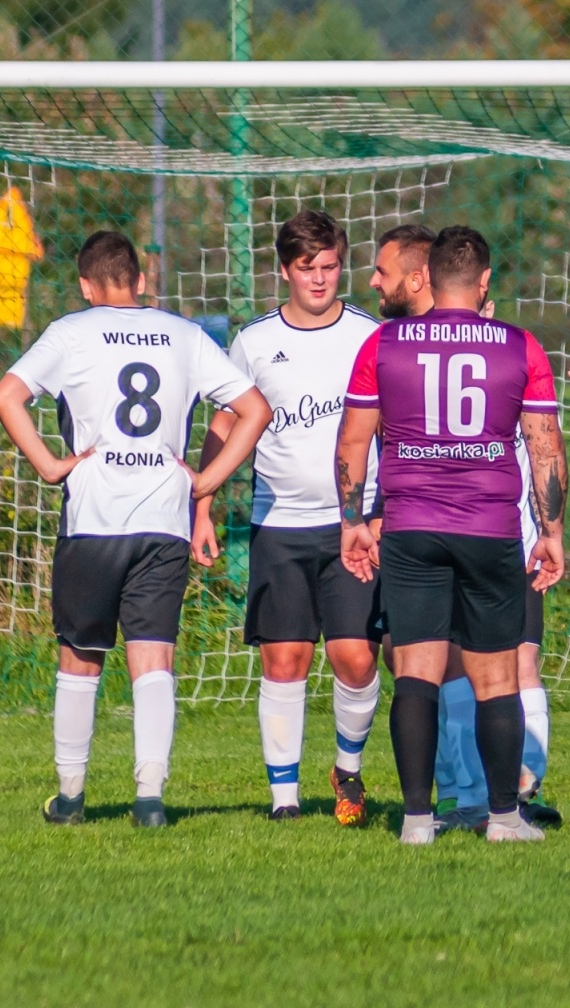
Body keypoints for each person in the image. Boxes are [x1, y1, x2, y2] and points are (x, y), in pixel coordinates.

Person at [0, 231, 271, 829]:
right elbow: (255, 410)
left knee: (80, 659)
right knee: (154, 660)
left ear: (86, 286)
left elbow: (6, 396)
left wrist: (49, 465)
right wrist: (203, 480)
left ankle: (69, 797)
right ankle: (149, 800)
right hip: (162, 521)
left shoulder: (71, 331)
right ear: (140, 281)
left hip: (92, 520)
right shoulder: (185, 335)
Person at [336, 225, 568, 845]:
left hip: (412, 526)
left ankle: (416, 821)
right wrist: (551, 533)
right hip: (491, 529)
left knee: (415, 672)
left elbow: (354, 442)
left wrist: (353, 522)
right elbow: (545, 448)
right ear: (485, 281)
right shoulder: (521, 347)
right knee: (496, 677)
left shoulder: (383, 343)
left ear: (429, 279)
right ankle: (501, 817)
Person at [191, 210, 385, 826]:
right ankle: (284, 800)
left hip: (353, 524)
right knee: (285, 660)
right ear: (285, 272)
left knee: (355, 656)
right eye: (308, 269)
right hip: (279, 525)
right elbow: (223, 425)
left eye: (330, 267)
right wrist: (203, 505)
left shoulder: (369, 335)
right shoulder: (252, 343)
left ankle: (347, 768)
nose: (321, 280)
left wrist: (385, 512)